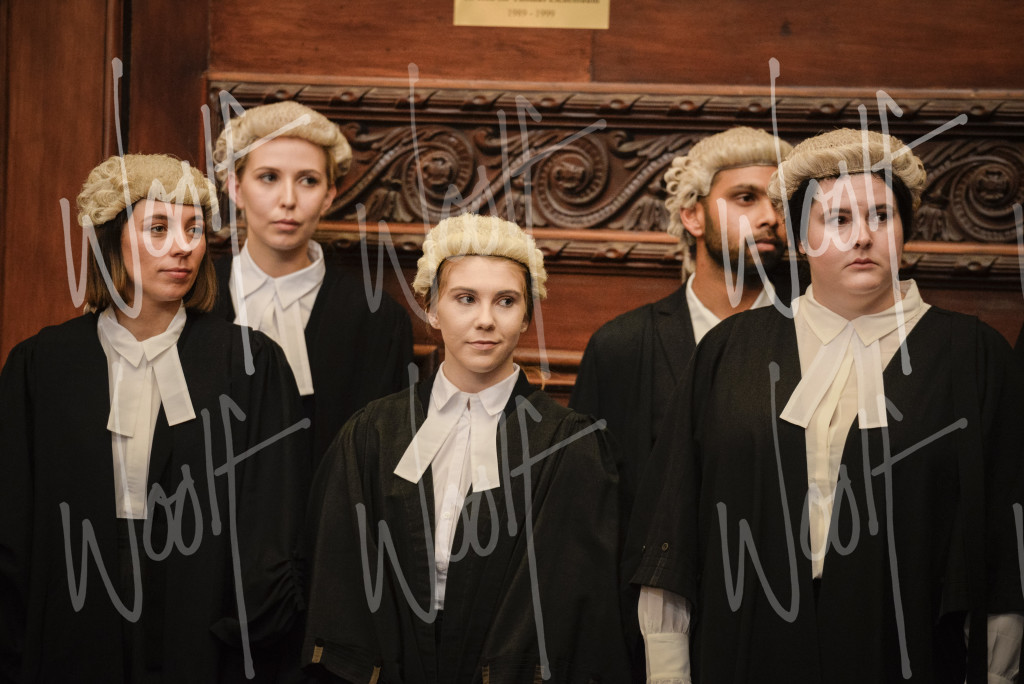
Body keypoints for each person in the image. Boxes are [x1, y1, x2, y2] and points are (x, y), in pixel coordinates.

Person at [628, 128, 1024, 683]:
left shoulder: (974, 355)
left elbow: (1003, 547)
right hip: (746, 642)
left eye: (882, 216)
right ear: (799, 238)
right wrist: (668, 672)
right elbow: (674, 525)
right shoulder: (730, 349)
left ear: (906, 229)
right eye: (837, 219)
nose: (863, 236)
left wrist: (998, 673)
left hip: (908, 647)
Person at [0, 155, 310, 682]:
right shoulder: (43, 364)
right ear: (112, 240)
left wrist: (240, 629)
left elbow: (274, 516)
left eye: (193, 229)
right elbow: (14, 520)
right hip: (72, 613)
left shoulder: (249, 363)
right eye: (159, 228)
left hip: (201, 612)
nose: (182, 246)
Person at [302, 213, 632, 682]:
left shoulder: (570, 445)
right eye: (465, 298)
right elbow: (338, 579)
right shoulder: (373, 432)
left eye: (506, 301)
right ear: (432, 309)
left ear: (527, 316)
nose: (485, 320)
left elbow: (575, 601)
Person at [570, 126, 796, 496]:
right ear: (693, 216)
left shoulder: (815, 330)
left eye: (779, 203)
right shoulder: (621, 346)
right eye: (745, 198)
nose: (770, 217)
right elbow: (587, 495)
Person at [212, 100, 414, 469]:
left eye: (308, 180)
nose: (288, 200)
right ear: (236, 188)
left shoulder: (377, 320)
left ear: (328, 197)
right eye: (268, 177)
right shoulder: (194, 301)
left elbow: (382, 460)